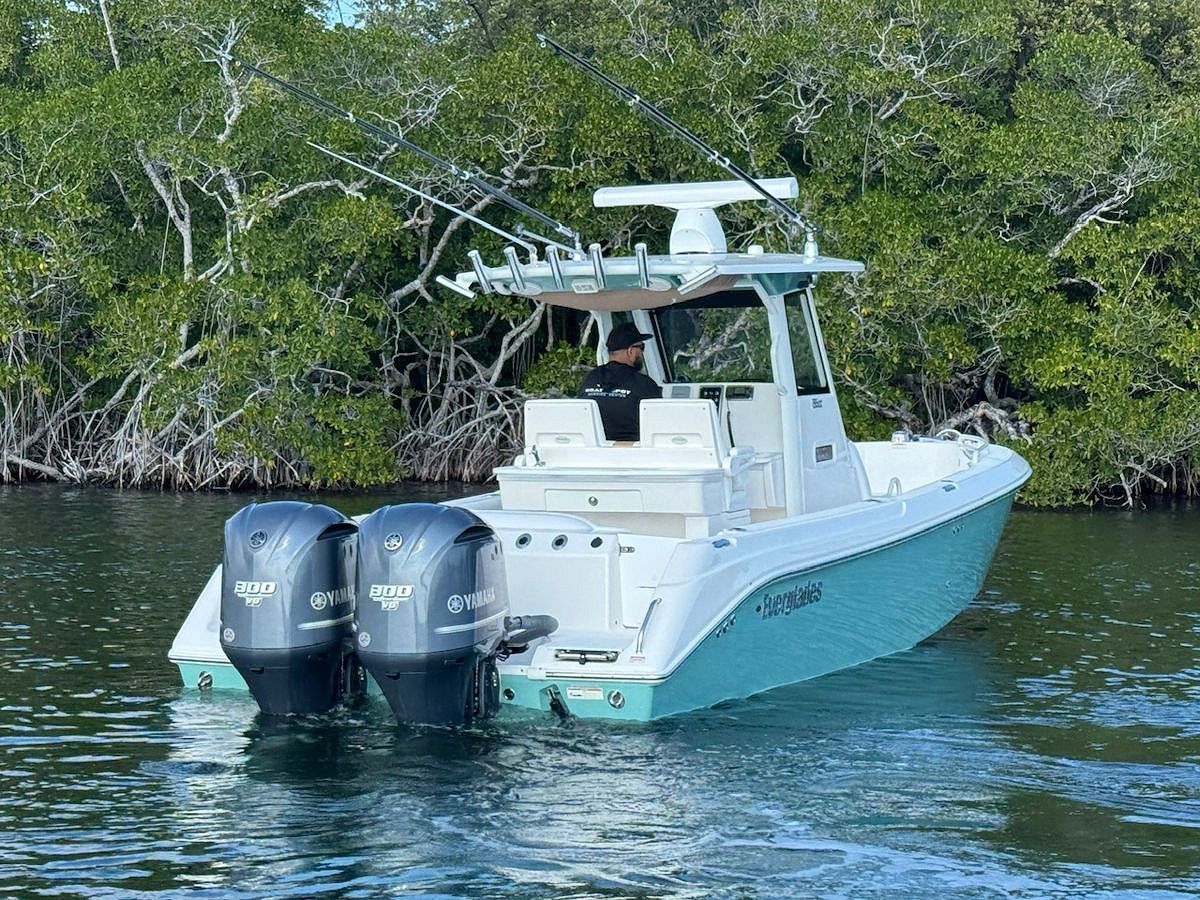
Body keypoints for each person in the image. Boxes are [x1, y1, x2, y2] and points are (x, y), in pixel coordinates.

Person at [579, 322, 662, 441]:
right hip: (634, 455)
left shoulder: (589, 378)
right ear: (631, 351)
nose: (642, 353)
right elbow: (660, 426)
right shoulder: (645, 385)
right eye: (641, 347)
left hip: (592, 454)